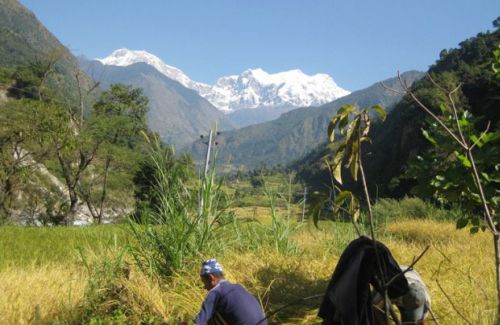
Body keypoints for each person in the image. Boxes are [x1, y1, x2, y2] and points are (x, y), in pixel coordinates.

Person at [188, 258, 268, 325]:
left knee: (212, 314)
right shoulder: (239, 287)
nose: (204, 287)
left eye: (204, 282)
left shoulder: (215, 292)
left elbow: (198, 322)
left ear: (211, 278)